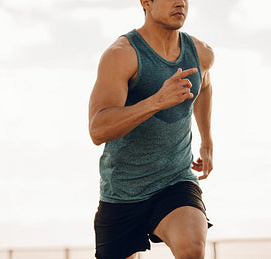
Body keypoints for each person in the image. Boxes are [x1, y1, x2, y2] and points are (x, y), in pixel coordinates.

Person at [88, 0, 214, 258]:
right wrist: (156, 101)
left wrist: (207, 142)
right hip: (122, 191)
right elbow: (98, 128)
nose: (180, 2)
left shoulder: (201, 53)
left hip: (175, 181)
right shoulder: (122, 54)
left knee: (192, 247)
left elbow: (204, 86)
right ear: (146, 2)